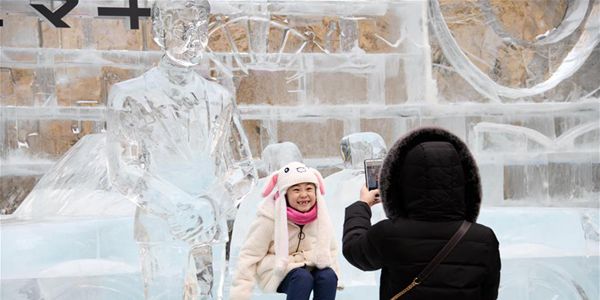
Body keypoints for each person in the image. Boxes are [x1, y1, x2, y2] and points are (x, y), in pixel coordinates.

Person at [105, 0, 257, 299]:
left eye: (200, 28)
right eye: (181, 28)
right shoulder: (129, 95)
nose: (193, 38)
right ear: (159, 32)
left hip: (210, 227)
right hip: (162, 227)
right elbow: (124, 170)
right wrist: (179, 207)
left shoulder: (220, 97)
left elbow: (244, 168)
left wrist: (210, 205)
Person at [342, 127, 501, 300]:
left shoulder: (389, 233)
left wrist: (362, 205)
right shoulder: (484, 239)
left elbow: (354, 250)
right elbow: (489, 293)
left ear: (406, 180)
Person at [231, 161, 340, 300]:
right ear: (285, 193)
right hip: (278, 269)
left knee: (328, 276)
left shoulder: (320, 215)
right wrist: (240, 294)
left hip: (310, 264)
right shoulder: (269, 216)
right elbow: (249, 255)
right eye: (296, 190)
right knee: (302, 278)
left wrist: (335, 274)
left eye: (309, 189)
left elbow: (330, 249)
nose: (304, 195)